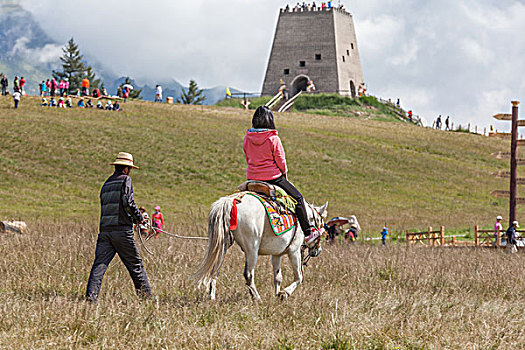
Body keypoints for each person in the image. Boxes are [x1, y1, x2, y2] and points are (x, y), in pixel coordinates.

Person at [243, 106, 323, 247]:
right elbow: (281, 161)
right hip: (272, 177)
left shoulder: (247, 137)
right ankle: (308, 232)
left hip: (252, 178)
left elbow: (247, 156)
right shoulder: (273, 138)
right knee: (298, 199)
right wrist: (284, 174)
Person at [85, 152, 152, 303]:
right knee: (135, 265)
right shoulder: (125, 180)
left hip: (105, 231)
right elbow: (127, 202)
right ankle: (147, 299)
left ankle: (91, 299)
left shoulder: (106, 184)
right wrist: (139, 218)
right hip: (122, 231)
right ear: (126, 169)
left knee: (99, 266)